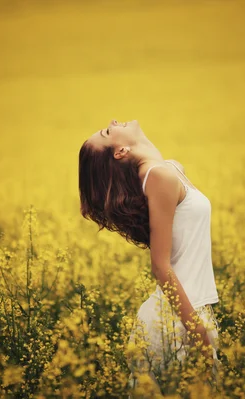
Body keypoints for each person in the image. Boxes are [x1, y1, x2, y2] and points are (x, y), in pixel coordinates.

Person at [78, 119, 222, 395]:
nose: (112, 122)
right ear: (120, 151)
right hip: (177, 323)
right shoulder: (159, 177)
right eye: (108, 132)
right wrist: (198, 332)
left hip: (189, 310)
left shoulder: (168, 170)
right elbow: (160, 266)